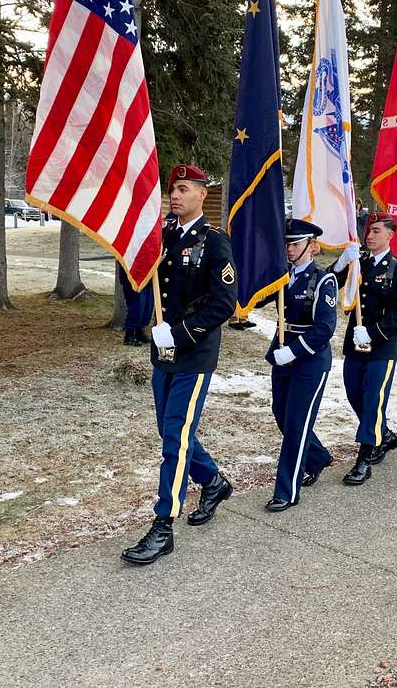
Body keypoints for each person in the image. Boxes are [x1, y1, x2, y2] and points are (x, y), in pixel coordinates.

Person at [121, 164, 237, 566]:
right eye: (173, 189)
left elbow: (223, 304)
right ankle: (213, 481)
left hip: (193, 354)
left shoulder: (215, 242)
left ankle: (162, 525)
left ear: (202, 195)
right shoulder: (163, 235)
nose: (175, 194)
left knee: (175, 437)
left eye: (184, 188)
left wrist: (182, 332)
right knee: (170, 430)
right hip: (164, 352)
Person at [331, 212, 397, 481]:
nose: (370, 235)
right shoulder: (358, 263)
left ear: (390, 235)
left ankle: (364, 459)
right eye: (369, 230)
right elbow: (326, 283)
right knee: (355, 395)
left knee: (372, 402)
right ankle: (384, 434)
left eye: (377, 231)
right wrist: (341, 262)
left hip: (381, 347)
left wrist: (372, 333)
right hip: (354, 346)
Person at [259, 220, 337, 511]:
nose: (289, 249)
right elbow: (257, 300)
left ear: (312, 246)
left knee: (297, 425)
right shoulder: (282, 275)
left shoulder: (323, 280)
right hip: (281, 354)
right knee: (281, 413)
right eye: (287, 244)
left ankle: (287, 491)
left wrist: (293, 352)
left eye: (295, 244)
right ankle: (317, 458)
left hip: (309, 360)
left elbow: (324, 328)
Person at [117, 263, 154, 346]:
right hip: (133, 276)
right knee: (137, 307)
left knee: (147, 307)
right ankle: (129, 334)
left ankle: (140, 332)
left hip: (148, 276)